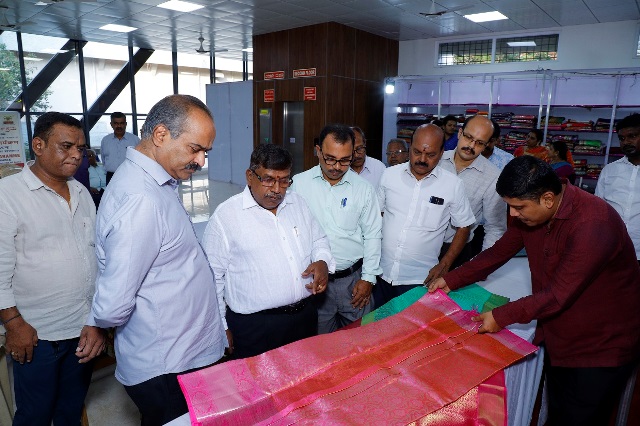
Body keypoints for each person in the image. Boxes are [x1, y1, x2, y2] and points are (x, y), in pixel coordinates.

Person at [429, 156, 640, 426]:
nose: (513, 215)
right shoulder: (534, 214)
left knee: (582, 417)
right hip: (560, 335)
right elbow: (499, 252)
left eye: (518, 207)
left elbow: (556, 295)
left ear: (548, 199)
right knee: (560, 412)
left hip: (600, 347)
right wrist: (452, 279)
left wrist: (500, 316)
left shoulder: (592, 223)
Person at [87, 95, 226, 425]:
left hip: (182, 354)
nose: (201, 161)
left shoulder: (157, 182)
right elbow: (111, 306)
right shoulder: (141, 199)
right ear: (161, 135)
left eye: (206, 151)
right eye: (195, 149)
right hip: (169, 365)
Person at [0, 112, 105, 425]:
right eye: (66, 146)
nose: (76, 154)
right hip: (36, 336)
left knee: (70, 411)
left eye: (81, 147)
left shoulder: (82, 193)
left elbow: (96, 257)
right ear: (38, 145)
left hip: (83, 330)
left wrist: (98, 320)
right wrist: (14, 324)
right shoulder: (8, 194)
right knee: (35, 415)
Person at [203, 144, 335, 359]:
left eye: (284, 181)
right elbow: (213, 279)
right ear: (250, 176)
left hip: (304, 317)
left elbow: (319, 239)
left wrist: (322, 260)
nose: (277, 189)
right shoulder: (226, 217)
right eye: (268, 179)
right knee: (259, 390)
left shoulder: (298, 203)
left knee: (303, 383)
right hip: (255, 328)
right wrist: (221, 327)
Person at [291, 124, 382, 333]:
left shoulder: (364, 190)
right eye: (330, 158)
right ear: (318, 151)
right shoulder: (299, 184)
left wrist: (368, 278)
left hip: (354, 281)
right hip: (314, 283)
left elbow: (373, 235)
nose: (336, 167)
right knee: (320, 345)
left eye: (344, 160)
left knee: (361, 339)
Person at [373, 123, 475, 307]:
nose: (422, 159)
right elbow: (375, 217)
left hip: (420, 279)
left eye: (430, 155)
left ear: (442, 152)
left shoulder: (452, 185)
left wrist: (444, 265)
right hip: (380, 273)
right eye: (417, 152)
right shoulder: (389, 175)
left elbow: (464, 226)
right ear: (409, 148)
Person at [438, 115, 506, 266]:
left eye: (480, 143)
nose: (471, 146)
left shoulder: (492, 177)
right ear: (460, 133)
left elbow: (495, 228)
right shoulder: (436, 161)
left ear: (487, 144)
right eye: (468, 137)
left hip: (459, 251)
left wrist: (481, 265)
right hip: (421, 246)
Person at [596, 112, 640, 263]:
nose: (626, 142)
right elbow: (598, 209)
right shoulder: (609, 170)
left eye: (632, 136)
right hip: (611, 249)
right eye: (622, 138)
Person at [100, 111, 140, 184]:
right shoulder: (105, 140)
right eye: (116, 123)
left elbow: (139, 159)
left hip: (130, 176)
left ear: (126, 124)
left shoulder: (135, 140)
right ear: (111, 124)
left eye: (121, 123)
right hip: (111, 177)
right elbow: (103, 159)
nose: (119, 126)